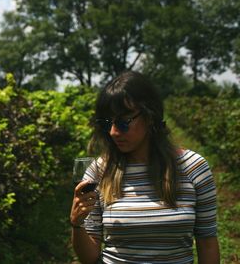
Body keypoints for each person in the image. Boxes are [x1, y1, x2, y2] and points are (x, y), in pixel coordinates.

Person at [69, 71, 220, 264]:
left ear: (149, 117)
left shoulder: (193, 168)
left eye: (123, 122)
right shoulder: (99, 172)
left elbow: (207, 242)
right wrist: (76, 224)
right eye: (107, 123)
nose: (113, 132)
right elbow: (89, 258)